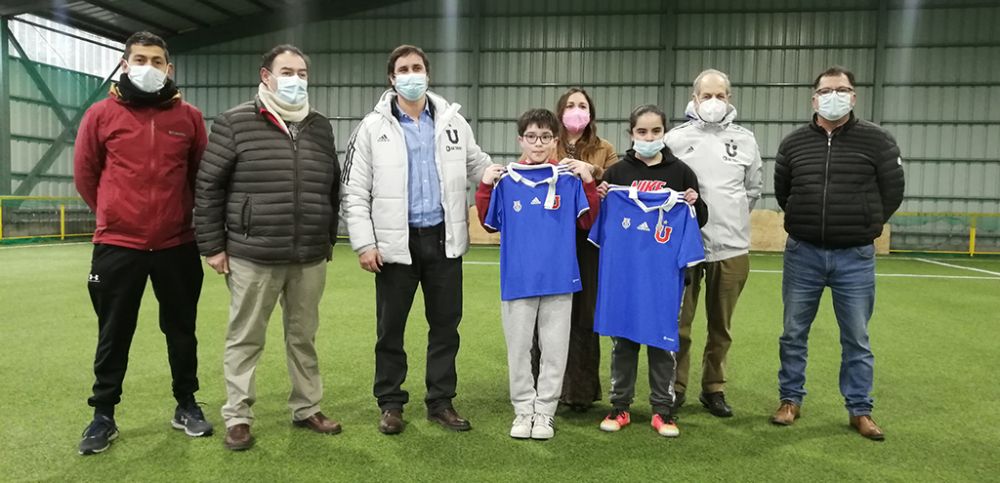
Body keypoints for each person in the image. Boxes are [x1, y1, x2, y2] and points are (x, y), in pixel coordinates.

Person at [194, 44, 342, 451]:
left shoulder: (319, 126)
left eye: (302, 72)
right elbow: (208, 186)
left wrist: (327, 237)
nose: (296, 79)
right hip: (251, 254)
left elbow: (333, 185)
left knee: (303, 337)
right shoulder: (234, 123)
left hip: (309, 255)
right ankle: (238, 416)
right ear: (266, 76)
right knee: (245, 338)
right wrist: (213, 245)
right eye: (287, 71)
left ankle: (307, 406)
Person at [73, 31, 211, 456]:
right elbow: (86, 175)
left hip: (176, 245)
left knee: (181, 330)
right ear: (124, 64)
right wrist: (116, 216)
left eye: (156, 60)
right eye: (139, 58)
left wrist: (174, 220)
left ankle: (185, 403)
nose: (147, 66)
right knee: (113, 333)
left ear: (169, 68)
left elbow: (198, 177)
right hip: (118, 246)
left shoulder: (189, 118)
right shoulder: (100, 115)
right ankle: (104, 414)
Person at [341, 44, 491, 434]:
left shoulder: (453, 122)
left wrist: (509, 175)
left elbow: (479, 165)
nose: (412, 74)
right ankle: (390, 403)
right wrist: (364, 242)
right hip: (394, 246)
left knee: (445, 326)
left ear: (428, 73)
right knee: (390, 329)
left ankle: (440, 401)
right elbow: (354, 191)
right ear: (392, 78)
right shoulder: (372, 128)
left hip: (445, 240)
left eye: (418, 67)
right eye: (403, 69)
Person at [771, 66, 904, 441]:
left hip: (855, 257)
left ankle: (859, 410)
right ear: (814, 98)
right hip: (803, 254)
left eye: (841, 89)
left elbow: (892, 192)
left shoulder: (878, 141)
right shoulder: (793, 143)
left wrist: (866, 223)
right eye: (827, 90)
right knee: (793, 333)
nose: (834, 95)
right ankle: (789, 400)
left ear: (853, 96)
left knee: (857, 338)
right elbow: (785, 193)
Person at [476, 108, 599, 440]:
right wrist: (485, 186)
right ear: (520, 140)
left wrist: (588, 180)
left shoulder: (569, 180)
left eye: (546, 137)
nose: (539, 143)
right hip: (518, 281)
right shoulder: (506, 181)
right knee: (518, 351)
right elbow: (488, 222)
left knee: (555, 352)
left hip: (560, 280)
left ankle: (544, 413)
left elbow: (588, 222)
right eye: (531, 136)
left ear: (555, 140)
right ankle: (522, 411)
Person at [595, 105, 707, 437]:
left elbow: (699, 217)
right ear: (631, 134)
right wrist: (602, 197)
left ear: (664, 133)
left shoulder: (682, 172)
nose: (649, 137)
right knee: (624, 343)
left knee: (662, 344)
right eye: (642, 132)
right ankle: (621, 407)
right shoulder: (616, 174)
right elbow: (601, 224)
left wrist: (692, 201)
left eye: (656, 131)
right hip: (626, 279)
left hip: (664, 280)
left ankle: (663, 410)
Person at [666, 69, 763, 417]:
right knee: (680, 324)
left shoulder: (746, 140)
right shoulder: (674, 140)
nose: (713, 102)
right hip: (684, 247)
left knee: (721, 326)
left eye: (720, 96)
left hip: (732, 247)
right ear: (693, 99)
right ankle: (675, 388)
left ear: (729, 99)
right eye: (706, 96)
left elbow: (752, 190)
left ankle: (713, 389)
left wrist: (731, 217)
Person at [548, 87, 619, 411]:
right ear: (560, 111)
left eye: (583, 106)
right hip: (553, 239)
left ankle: (581, 391)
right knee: (549, 313)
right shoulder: (547, 143)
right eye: (571, 105)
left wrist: (594, 172)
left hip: (589, 241)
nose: (576, 110)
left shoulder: (605, 149)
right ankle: (549, 386)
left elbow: (617, 184)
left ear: (591, 113)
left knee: (584, 315)